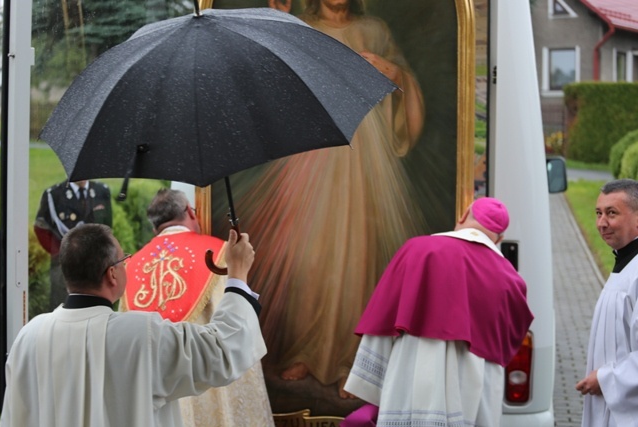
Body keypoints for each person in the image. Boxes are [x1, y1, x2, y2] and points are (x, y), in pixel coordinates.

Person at [219, 0, 425, 397]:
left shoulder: (375, 29)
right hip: (312, 156)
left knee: (357, 256)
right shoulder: (301, 27)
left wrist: (393, 71)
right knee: (309, 254)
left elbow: (403, 84)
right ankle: (306, 351)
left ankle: (353, 362)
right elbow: (271, 87)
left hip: (367, 160)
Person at [0, 223, 264, 427]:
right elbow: (219, 352)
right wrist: (238, 274)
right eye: (123, 260)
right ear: (112, 274)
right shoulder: (140, 334)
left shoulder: (28, 337)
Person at [341, 197, 534, 426]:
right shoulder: (510, 280)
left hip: (411, 373)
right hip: (471, 391)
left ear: (462, 217)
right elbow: (503, 349)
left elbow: (384, 315)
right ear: (499, 239)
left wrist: (372, 377)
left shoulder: (417, 250)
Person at [120, 188, 274, 427]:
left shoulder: (130, 266)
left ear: (154, 227)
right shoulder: (220, 254)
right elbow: (237, 320)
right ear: (191, 212)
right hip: (207, 381)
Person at [576, 179, 638, 426]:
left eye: (612, 213)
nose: (602, 223)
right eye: (598, 213)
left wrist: (605, 378)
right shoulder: (625, 266)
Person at [34, 179, 112, 310]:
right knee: (63, 307)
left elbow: (108, 228)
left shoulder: (101, 191)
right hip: (64, 266)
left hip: (96, 264)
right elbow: (41, 228)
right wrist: (60, 253)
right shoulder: (54, 194)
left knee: (95, 309)